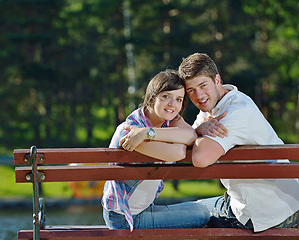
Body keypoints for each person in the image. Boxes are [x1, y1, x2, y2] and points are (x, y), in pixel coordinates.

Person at [177, 53, 299, 232]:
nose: (199, 95)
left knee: (173, 218)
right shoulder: (214, 107)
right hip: (260, 204)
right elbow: (187, 136)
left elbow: (200, 158)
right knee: (180, 211)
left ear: (217, 79)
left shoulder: (235, 111)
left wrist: (195, 131)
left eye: (203, 85)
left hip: (268, 214)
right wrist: (197, 130)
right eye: (191, 90)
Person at [101, 69, 210, 231]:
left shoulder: (165, 122)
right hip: (126, 218)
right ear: (152, 97)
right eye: (166, 97)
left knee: (206, 207)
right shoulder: (129, 133)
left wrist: (148, 133)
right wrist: (174, 137)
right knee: (203, 214)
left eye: (178, 99)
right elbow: (179, 152)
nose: (172, 105)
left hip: (142, 209)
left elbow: (190, 135)